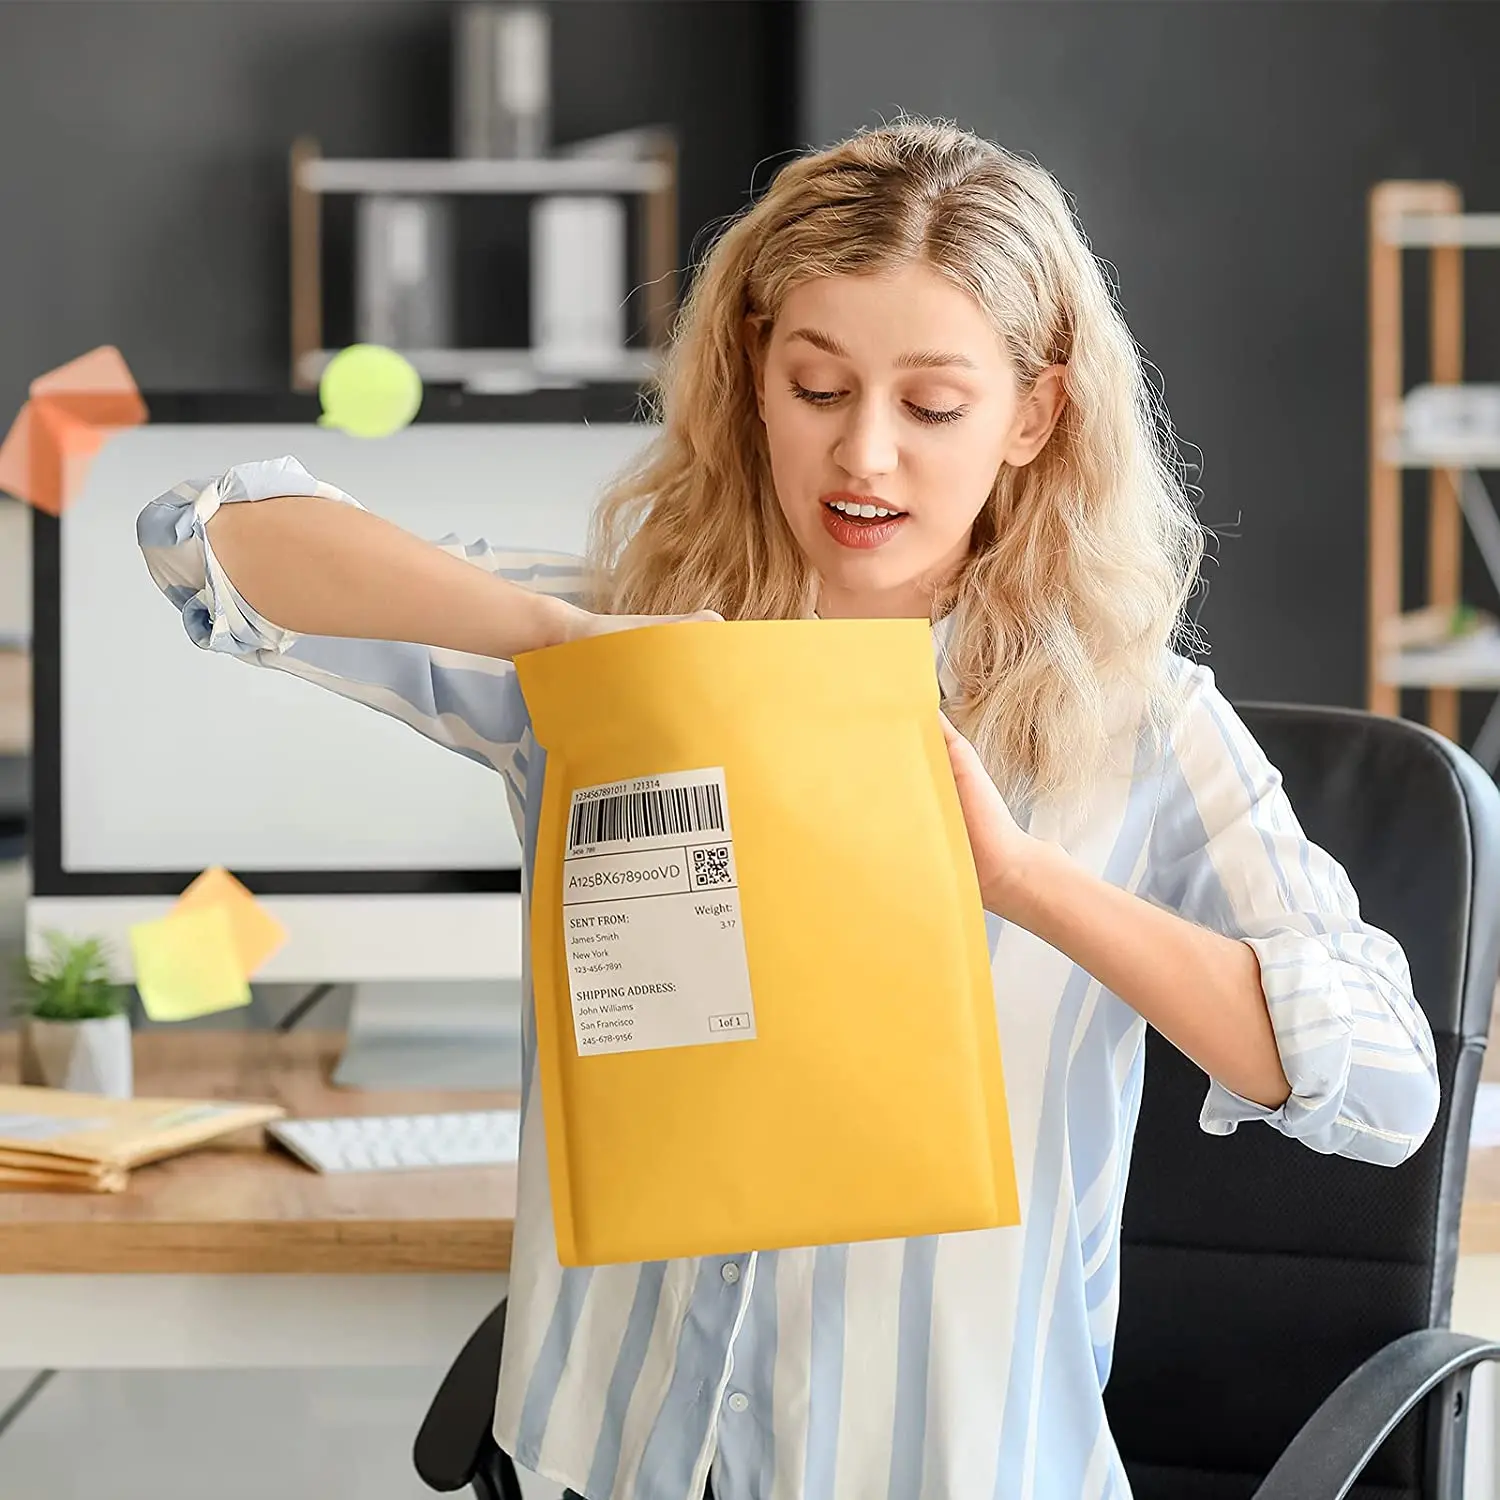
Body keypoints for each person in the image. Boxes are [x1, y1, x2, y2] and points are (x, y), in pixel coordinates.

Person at [136, 120, 1438, 1500]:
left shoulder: (1140, 724)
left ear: (1034, 416)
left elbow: (1385, 1086)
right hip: (619, 1458)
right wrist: (558, 643)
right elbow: (202, 536)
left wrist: (1023, 882)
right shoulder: (623, 644)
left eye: (932, 409)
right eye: (818, 386)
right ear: (755, 373)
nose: (864, 456)